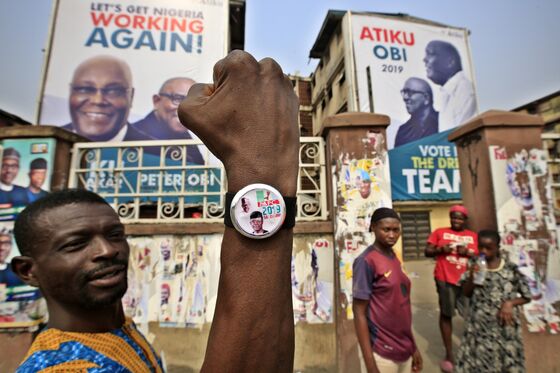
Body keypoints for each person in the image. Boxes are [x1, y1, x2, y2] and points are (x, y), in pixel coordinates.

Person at [12, 50, 299, 372]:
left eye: (115, 234)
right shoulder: (64, 367)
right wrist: (262, 171)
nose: (106, 250)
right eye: (76, 243)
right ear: (27, 271)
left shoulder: (118, 333)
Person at [353, 207, 423, 373]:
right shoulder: (366, 261)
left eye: (396, 230)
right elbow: (359, 312)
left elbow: (402, 306)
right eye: (386, 230)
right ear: (373, 227)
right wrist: (370, 364)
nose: (392, 235)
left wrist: (413, 347)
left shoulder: (395, 257)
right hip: (381, 353)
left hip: (404, 348)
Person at [455, 230, 531, 373]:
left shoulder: (510, 269)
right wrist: (472, 276)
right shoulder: (474, 263)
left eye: (488, 248)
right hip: (479, 327)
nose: (484, 251)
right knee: (478, 363)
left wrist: (510, 303)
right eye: (481, 247)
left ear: (498, 247)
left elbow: (527, 296)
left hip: (504, 327)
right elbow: (466, 292)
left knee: (505, 363)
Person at [424, 205, 478, 373]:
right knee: (447, 315)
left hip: (467, 282)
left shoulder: (473, 236)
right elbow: (427, 251)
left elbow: (483, 256)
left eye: (460, 218)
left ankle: (472, 351)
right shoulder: (439, 232)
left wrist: (467, 252)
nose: (456, 220)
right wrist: (441, 249)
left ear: (465, 220)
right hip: (445, 279)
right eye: (454, 217)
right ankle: (449, 354)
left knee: (471, 317)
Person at [62, 55, 153, 142]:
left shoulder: (158, 155)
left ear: (131, 96)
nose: (98, 100)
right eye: (85, 89)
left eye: (113, 91)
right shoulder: (50, 142)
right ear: (70, 91)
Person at [132, 77, 204, 164]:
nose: (186, 109)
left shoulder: (187, 140)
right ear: (157, 101)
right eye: (178, 99)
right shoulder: (132, 135)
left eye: (194, 102)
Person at [423, 40, 477, 132]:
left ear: (450, 62)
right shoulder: (448, 92)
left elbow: (461, 135)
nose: (424, 59)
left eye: (430, 54)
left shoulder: (465, 92)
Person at [395, 77, 439, 147]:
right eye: (404, 92)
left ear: (426, 98)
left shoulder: (443, 122)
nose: (405, 97)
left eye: (410, 92)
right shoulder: (403, 131)